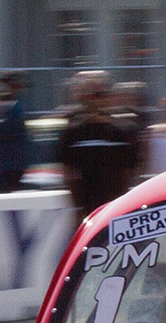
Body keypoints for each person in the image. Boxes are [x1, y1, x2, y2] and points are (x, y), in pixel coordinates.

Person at [57, 69, 141, 219]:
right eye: (93, 95)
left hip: (117, 208)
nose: (97, 100)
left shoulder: (124, 130)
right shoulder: (73, 132)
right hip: (88, 209)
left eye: (102, 94)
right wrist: (77, 208)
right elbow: (68, 172)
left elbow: (133, 170)